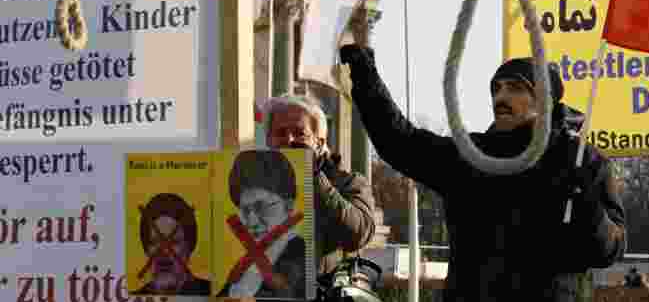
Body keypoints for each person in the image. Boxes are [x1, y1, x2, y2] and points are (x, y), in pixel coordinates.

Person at [339, 26, 627, 302]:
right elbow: (400, 141)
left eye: (515, 88)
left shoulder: (579, 160)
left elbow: (609, 250)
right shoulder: (470, 155)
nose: (500, 97)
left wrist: (586, 202)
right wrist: (366, 78)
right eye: (496, 89)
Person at [263, 94, 376, 273]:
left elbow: (358, 235)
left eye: (299, 133)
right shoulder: (251, 182)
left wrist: (313, 177)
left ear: (319, 142)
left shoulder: (349, 183)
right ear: (269, 140)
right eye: (281, 133)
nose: (289, 140)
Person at [218, 149, 308, 298]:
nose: (251, 222)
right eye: (245, 210)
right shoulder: (246, 264)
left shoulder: (300, 256)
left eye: (262, 207)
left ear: (289, 206)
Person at [133, 193, 212, 296]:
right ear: (147, 250)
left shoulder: (210, 293)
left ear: (188, 249)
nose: (163, 252)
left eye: (173, 242)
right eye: (155, 242)